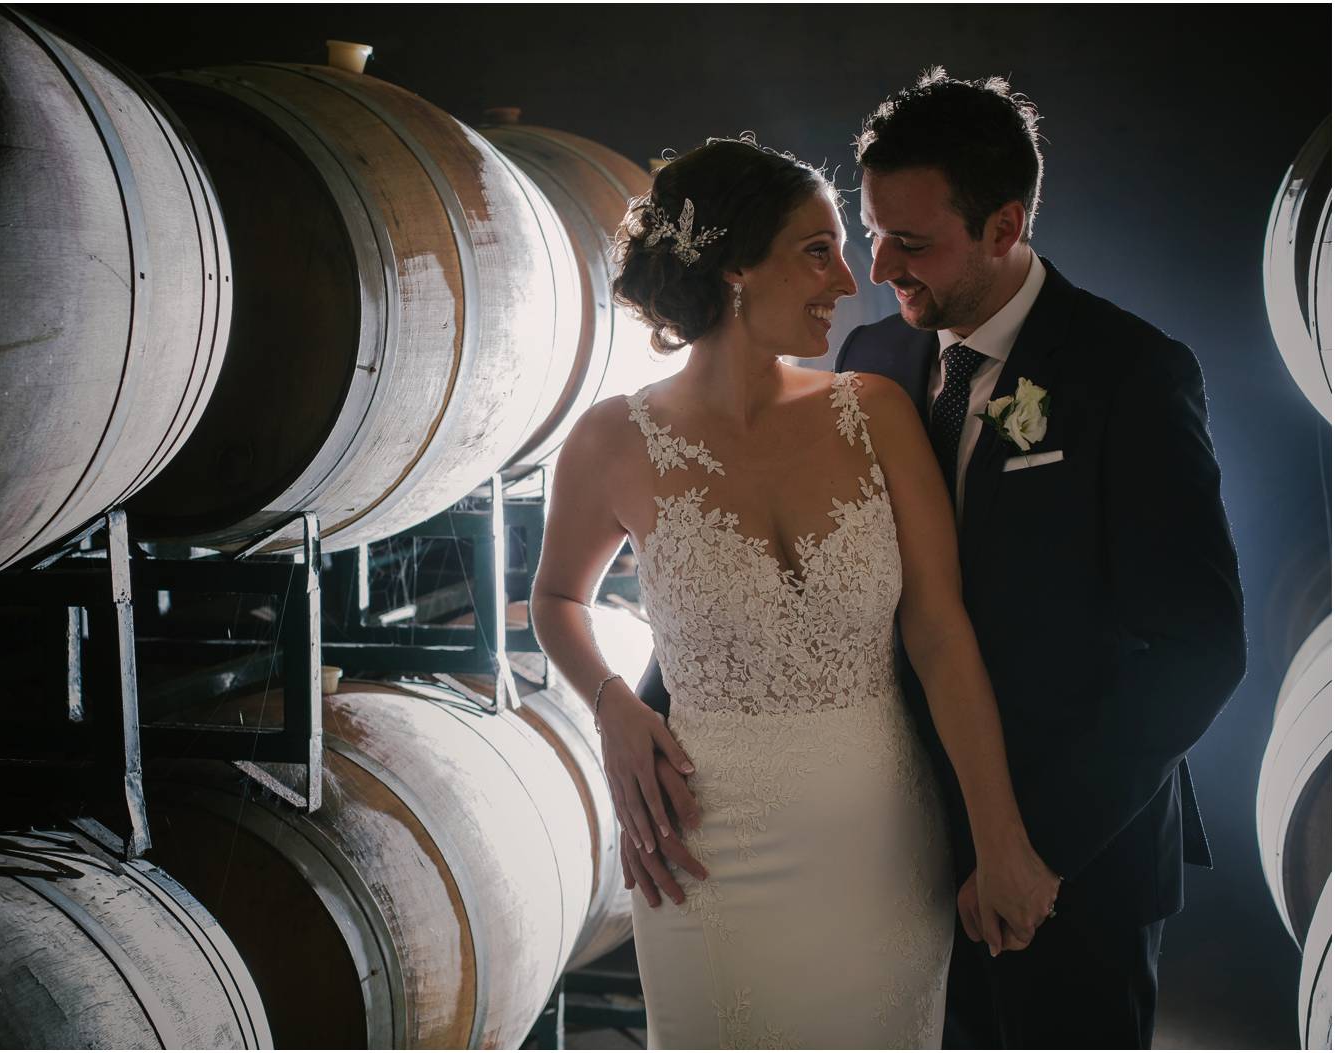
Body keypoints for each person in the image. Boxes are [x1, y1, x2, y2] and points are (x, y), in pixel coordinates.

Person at [629, 72, 1248, 1049]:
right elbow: (772, 559)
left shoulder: (1128, 372)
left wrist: (1036, 849)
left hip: (1074, 856)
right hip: (891, 840)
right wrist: (653, 709)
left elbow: (1197, 647)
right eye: (871, 232)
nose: (878, 267)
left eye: (911, 243)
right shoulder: (871, 358)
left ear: (1003, 228)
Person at [530, 132, 1061, 1049]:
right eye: (820, 252)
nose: (849, 283)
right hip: (704, 849)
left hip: (884, 844)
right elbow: (556, 600)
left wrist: (998, 832)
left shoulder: (875, 413)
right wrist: (612, 702)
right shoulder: (610, 439)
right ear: (735, 266)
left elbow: (940, 633)